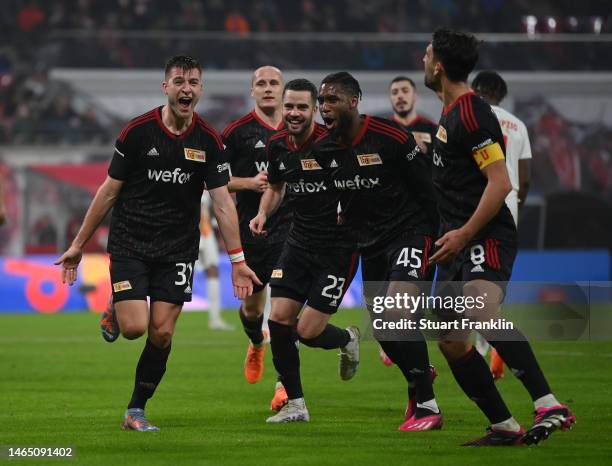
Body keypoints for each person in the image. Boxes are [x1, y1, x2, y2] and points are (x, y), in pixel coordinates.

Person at [55, 55, 260, 432]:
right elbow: (108, 191)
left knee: (162, 333)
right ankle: (118, 304)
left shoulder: (210, 141)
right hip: (131, 240)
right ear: (165, 87)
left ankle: (136, 410)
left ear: (200, 90)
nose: (187, 88)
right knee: (134, 329)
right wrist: (78, 244)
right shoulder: (137, 132)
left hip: (178, 248)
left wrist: (237, 259)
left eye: (194, 82)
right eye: (179, 81)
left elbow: (223, 204)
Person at [423, 28, 575, 445]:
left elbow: (501, 182)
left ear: (438, 65)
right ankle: (503, 425)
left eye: (427, 53)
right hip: (455, 243)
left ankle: (548, 403)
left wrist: (464, 233)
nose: (423, 58)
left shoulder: (471, 112)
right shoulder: (450, 113)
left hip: (483, 236)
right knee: (451, 341)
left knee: (479, 308)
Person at [316, 72, 442, 432]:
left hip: (410, 234)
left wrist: (441, 238)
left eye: (332, 100)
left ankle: (429, 407)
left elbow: (427, 190)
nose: (325, 107)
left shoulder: (390, 137)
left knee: (399, 312)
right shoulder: (324, 147)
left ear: (353, 101)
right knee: (385, 329)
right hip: (368, 243)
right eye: (322, 101)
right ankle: (419, 379)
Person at [250, 79, 360, 423]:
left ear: (315, 110)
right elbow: (277, 186)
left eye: (302, 107)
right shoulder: (277, 145)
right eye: (289, 107)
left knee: (308, 332)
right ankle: (296, 404)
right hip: (297, 242)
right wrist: (263, 211)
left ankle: (347, 338)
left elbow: (362, 184)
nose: (294, 113)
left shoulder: (336, 144)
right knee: (278, 320)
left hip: (337, 248)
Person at [222, 66, 291, 385]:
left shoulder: (299, 129)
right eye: (261, 84)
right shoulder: (237, 133)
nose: (267, 88)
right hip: (251, 231)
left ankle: (285, 385)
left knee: (283, 311)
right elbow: (212, 181)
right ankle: (255, 342)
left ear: (283, 89)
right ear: (252, 91)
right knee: (253, 311)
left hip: (292, 230)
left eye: (274, 83)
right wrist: (249, 183)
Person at [472, 70, 533, 380]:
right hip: (507, 213)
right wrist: (514, 207)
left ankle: (488, 340)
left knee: (470, 282)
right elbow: (525, 179)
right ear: (502, 94)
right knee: (492, 282)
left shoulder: (473, 117)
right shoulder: (519, 125)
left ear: (476, 89)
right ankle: (490, 339)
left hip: (475, 209)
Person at [198, 191, 233, 330]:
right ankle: (215, 318)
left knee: (213, 272)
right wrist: (202, 241)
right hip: (202, 235)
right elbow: (202, 216)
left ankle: (215, 317)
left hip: (206, 234)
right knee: (211, 272)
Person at [389, 76, 438, 155]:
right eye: (395, 92)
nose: (400, 96)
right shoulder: (384, 128)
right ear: (390, 99)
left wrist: (426, 151)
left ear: (415, 96)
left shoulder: (433, 129)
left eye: (405, 91)